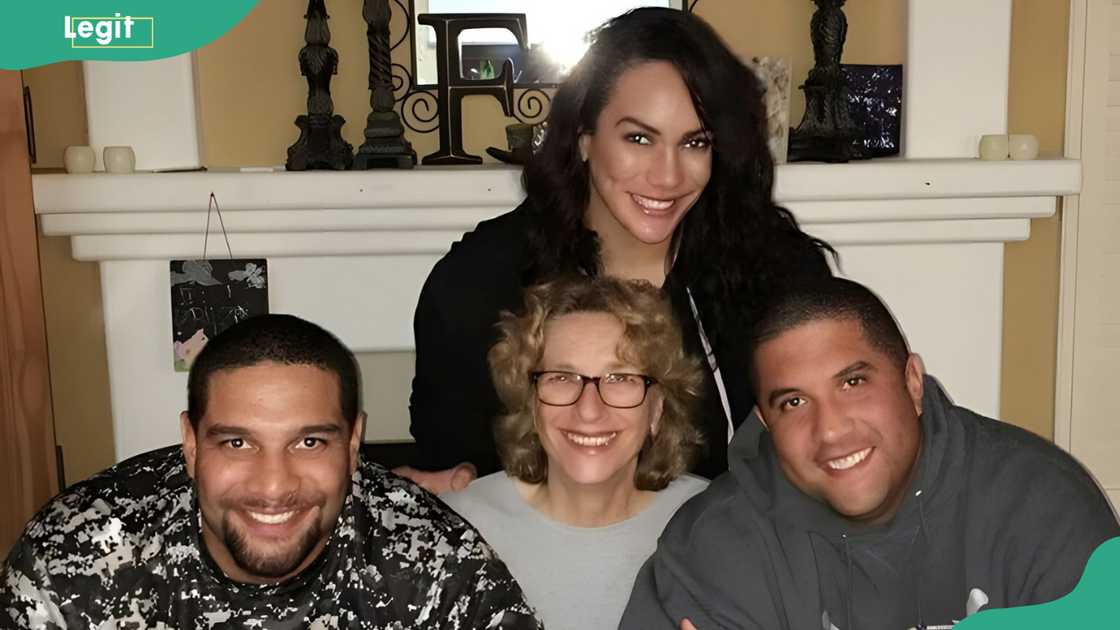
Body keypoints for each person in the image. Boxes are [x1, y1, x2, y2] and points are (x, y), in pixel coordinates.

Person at [403, 7, 834, 493]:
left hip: (728, 562)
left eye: (695, 143)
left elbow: (826, 441)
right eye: (638, 138)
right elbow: (455, 485)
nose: (668, 176)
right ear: (584, 137)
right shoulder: (477, 285)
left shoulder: (778, 273)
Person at [620, 277, 1120, 630]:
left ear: (913, 382)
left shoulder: (1044, 507)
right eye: (794, 402)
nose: (832, 430)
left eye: (853, 382)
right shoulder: (713, 546)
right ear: (767, 424)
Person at [0, 315, 541, 629]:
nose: (273, 486)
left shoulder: (435, 564)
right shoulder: (71, 557)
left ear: (354, 445)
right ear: (190, 444)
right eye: (237, 442)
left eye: (309, 442)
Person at [442, 276, 709, 630]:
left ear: (657, 409)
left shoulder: (713, 525)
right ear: (530, 401)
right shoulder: (459, 529)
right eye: (561, 377)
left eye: (620, 379)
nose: (589, 410)